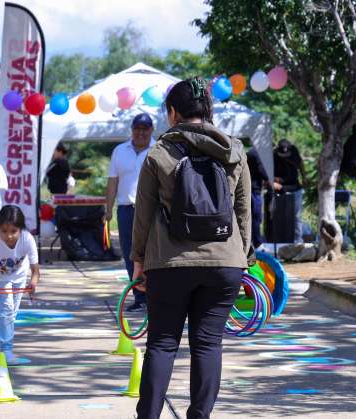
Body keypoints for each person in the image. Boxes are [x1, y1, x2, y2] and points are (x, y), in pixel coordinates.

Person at [131, 77, 252, 419]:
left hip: (169, 264)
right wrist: (245, 259)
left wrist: (138, 262)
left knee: (162, 344)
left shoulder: (159, 153)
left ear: (173, 113)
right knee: (209, 343)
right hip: (224, 262)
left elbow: (143, 215)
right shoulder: (235, 151)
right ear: (207, 110)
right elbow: (244, 210)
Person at [105, 113, 156, 312]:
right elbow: (112, 181)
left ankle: (155, 296)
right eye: (138, 128)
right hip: (126, 209)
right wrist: (108, 209)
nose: (141, 132)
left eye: (145, 128)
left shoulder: (158, 149)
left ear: (151, 130)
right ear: (132, 129)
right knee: (130, 255)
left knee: (152, 254)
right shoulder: (120, 150)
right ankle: (139, 296)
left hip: (151, 210)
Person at [0, 205, 40, 364]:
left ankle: (5, 344)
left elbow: (35, 270)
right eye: (4, 231)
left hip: (20, 277)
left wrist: (33, 284)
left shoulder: (27, 239)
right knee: (6, 310)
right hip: (0, 278)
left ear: (21, 229)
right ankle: (6, 350)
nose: (8, 236)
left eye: (13, 231)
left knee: (12, 314)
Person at [273, 139, 307, 243]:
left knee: (297, 217)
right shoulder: (273, 155)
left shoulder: (294, 152)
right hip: (280, 190)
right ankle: (279, 240)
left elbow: (300, 163)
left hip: (295, 187)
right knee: (280, 217)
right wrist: (273, 181)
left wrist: (304, 177)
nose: (285, 157)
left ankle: (298, 240)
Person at [245, 141, 269, 249]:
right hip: (254, 190)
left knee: (253, 217)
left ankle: (253, 241)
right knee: (256, 217)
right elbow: (262, 170)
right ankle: (257, 243)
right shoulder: (256, 153)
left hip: (251, 188)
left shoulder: (251, 152)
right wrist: (270, 180)